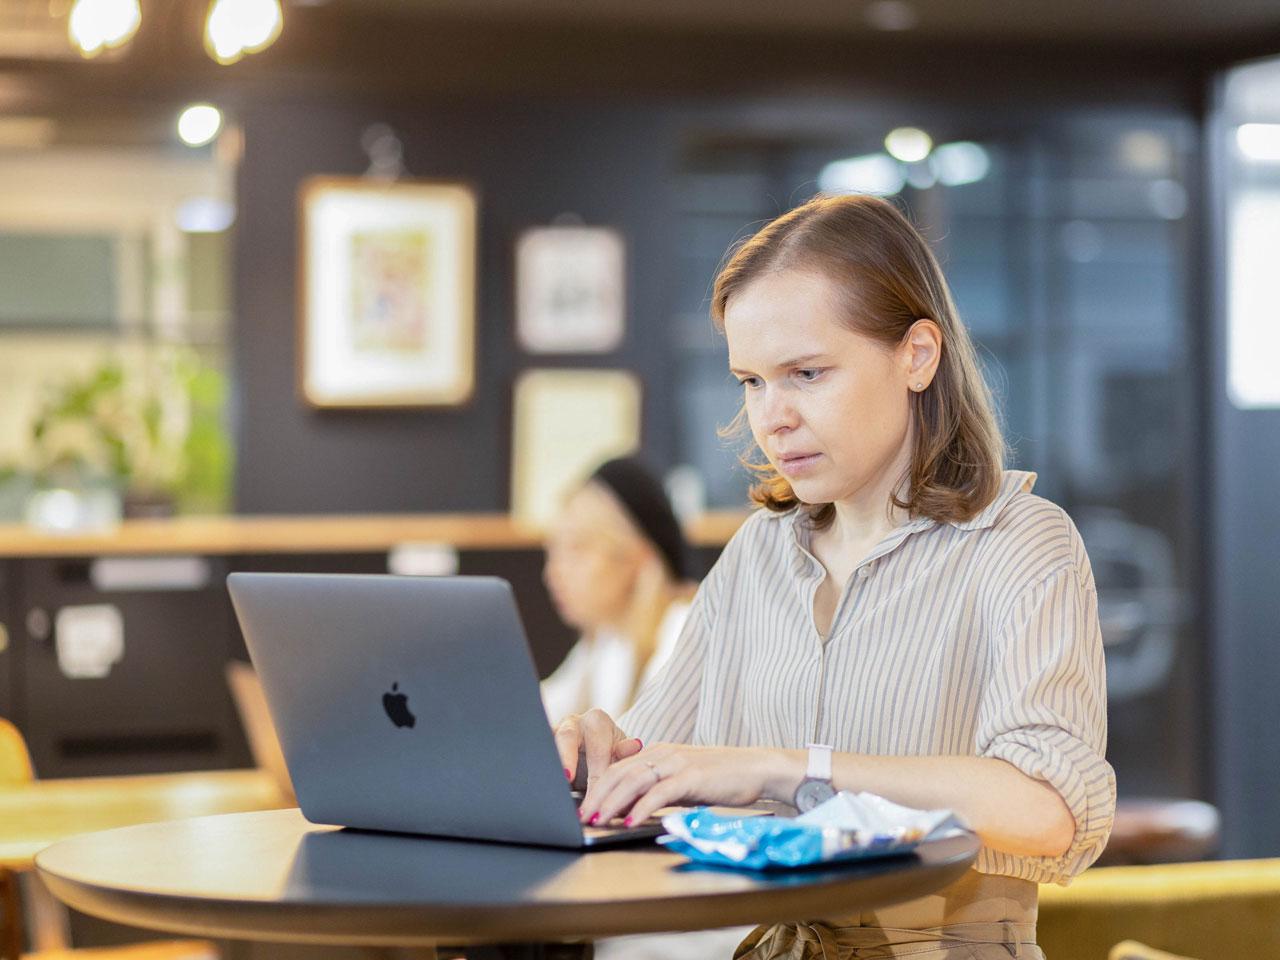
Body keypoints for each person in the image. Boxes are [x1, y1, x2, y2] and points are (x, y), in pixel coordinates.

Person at [555, 194, 1115, 959]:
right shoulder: (757, 555)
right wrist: (595, 757)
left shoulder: (1018, 542)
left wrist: (785, 768)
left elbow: (1049, 808)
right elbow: (660, 761)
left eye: (805, 373)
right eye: (751, 381)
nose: (770, 417)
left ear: (918, 355)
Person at [540, 456, 695, 723]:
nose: (552, 573)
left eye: (577, 549)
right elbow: (536, 711)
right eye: (553, 552)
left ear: (641, 556)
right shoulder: (607, 641)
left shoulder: (684, 633)